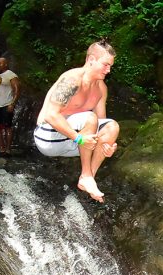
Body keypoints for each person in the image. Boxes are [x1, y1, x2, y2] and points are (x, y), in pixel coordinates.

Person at [33, 39, 119, 203]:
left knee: (112, 127)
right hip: (48, 137)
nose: (108, 70)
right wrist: (78, 137)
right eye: (105, 65)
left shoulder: (101, 88)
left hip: (74, 140)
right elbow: (51, 115)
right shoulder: (72, 79)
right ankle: (86, 175)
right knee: (89, 118)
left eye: (111, 66)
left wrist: (106, 146)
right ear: (91, 60)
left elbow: (101, 124)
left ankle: (88, 178)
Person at [0, 57, 20, 155]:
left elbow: (17, 90)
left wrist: (12, 103)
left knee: (7, 127)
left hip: (6, 104)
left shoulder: (11, 75)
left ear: (6, 64)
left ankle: (7, 149)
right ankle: (2, 146)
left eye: (1, 63)